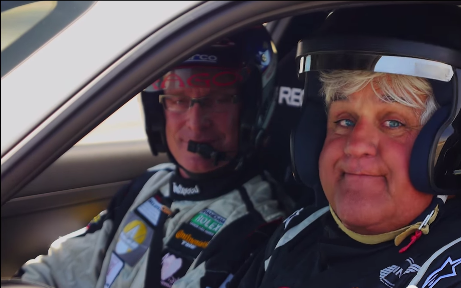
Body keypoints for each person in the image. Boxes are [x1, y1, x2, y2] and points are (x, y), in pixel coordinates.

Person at [239, 4, 461, 288]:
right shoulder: (294, 234)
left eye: (394, 123)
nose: (356, 146)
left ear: (451, 148)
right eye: (344, 120)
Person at [16, 25, 287, 288]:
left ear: (251, 112)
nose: (195, 122)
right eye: (178, 100)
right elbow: (64, 267)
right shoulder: (149, 185)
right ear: (159, 113)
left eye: (218, 100)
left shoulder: (253, 226)